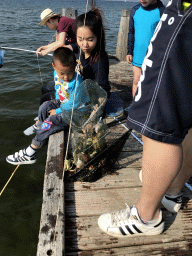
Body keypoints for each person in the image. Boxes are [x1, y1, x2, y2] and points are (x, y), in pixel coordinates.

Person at [98, 0, 192, 237]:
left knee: (160, 113)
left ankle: (146, 217)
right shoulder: (135, 11)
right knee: (186, 111)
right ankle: (172, 189)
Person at [6, 47, 82, 165]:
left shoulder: (77, 82)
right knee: (45, 106)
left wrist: (57, 111)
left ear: (74, 67)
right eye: (62, 73)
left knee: (51, 120)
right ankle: (40, 124)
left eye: (70, 73)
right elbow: (58, 90)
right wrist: (55, 104)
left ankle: (31, 152)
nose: (66, 77)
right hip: (63, 104)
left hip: (74, 112)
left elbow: (75, 103)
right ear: (54, 67)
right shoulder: (56, 74)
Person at [69, 7, 111, 99]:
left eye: (90, 40)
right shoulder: (79, 48)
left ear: (98, 37)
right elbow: (74, 46)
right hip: (78, 90)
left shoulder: (100, 61)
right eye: (80, 39)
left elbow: (103, 90)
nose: (84, 45)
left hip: (90, 98)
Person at [126, 0, 164, 97]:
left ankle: (149, 109)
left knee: (152, 84)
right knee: (136, 81)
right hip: (138, 54)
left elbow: (166, 36)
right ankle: (134, 107)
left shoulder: (162, 11)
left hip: (154, 57)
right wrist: (129, 51)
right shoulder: (135, 10)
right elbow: (131, 32)